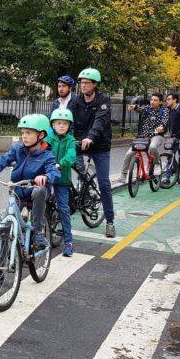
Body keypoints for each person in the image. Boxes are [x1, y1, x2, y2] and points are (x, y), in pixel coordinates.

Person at [0, 114, 61, 250]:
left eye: (28, 133)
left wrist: (45, 176)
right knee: (5, 226)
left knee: (39, 190)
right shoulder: (18, 149)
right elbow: (1, 161)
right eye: (22, 133)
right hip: (18, 191)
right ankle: (0, 266)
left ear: (41, 135)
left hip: (35, 191)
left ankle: (38, 231)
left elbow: (54, 172)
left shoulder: (47, 155)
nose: (24, 136)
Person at [69, 67, 116, 238]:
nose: (83, 86)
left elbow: (100, 121)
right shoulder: (75, 101)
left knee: (104, 183)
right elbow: (67, 121)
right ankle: (68, 206)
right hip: (79, 142)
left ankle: (110, 221)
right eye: (81, 83)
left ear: (95, 84)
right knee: (59, 167)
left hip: (99, 145)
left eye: (87, 83)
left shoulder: (104, 100)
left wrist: (90, 137)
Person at [48, 109, 78, 257]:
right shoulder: (48, 138)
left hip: (62, 178)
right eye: (58, 123)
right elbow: (40, 150)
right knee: (39, 201)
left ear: (69, 126)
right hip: (47, 175)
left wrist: (61, 163)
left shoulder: (71, 140)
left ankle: (68, 242)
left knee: (63, 208)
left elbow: (71, 155)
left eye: (65, 123)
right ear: (52, 125)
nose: (61, 126)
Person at [119, 93, 168, 184]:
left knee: (153, 147)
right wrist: (133, 107)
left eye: (155, 100)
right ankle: (123, 175)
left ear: (160, 102)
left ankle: (157, 164)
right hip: (143, 136)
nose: (152, 102)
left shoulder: (164, 110)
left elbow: (165, 120)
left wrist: (161, 127)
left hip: (157, 135)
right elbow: (139, 109)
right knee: (129, 154)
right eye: (151, 100)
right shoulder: (147, 109)